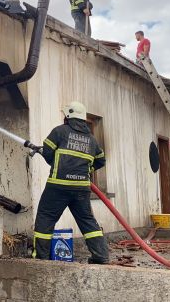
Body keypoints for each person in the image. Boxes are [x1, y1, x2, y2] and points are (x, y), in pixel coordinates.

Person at [33, 101, 109, 263]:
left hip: (58, 186)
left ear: (68, 116)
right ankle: (101, 256)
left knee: (45, 218)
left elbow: (47, 152)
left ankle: (41, 258)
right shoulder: (92, 140)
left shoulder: (60, 132)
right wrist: (85, 171)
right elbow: (101, 161)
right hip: (81, 189)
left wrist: (54, 161)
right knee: (87, 221)